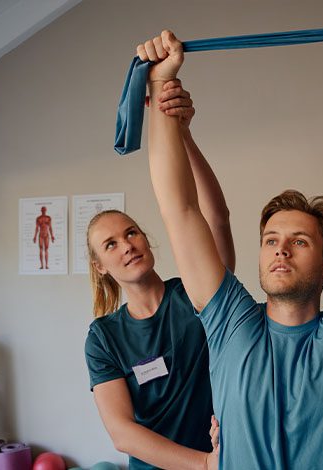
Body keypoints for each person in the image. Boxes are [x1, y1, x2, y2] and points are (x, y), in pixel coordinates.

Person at [141, 9, 323, 469]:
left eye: (300, 241)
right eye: (270, 240)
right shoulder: (230, 324)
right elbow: (180, 211)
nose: (280, 249)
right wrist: (161, 86)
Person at [84, 80, 233, 470]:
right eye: (111, 244)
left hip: (224, 457)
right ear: (100, 266)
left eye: (131, 233)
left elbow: (215, 218)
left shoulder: (193, 294)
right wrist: (203, 464)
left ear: (146, 240)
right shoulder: (104, 337)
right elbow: (122, 433)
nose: (127, 245)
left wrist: (183, 134)